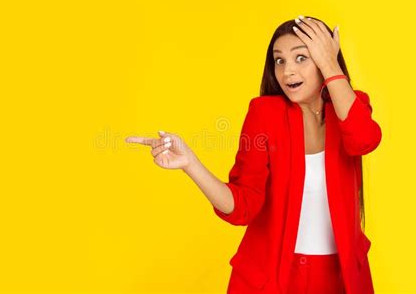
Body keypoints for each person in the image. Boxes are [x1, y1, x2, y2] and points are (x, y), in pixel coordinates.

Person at [125, 15, 381, 294]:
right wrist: (191, 164)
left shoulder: (350, 108)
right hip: (270, 280)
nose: (287, 72)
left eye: (301, 58)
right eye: (279, 60)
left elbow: (364, 140)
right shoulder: (264, 115)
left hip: (340, 280)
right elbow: (243, 206)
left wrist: (331, 65)